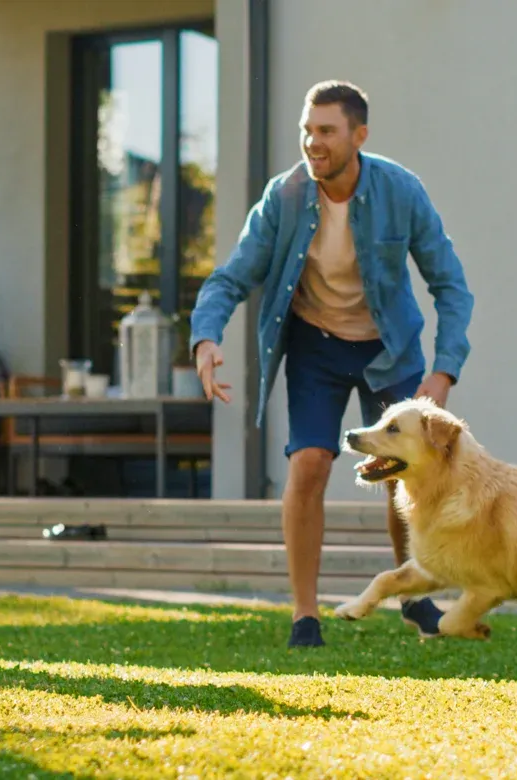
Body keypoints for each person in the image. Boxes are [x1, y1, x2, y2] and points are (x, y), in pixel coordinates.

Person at [188, 80, 474, 647]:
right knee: (310, 465)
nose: (312, 143)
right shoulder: (285, 197)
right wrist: (205, 337)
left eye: (326, 131)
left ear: (358, 136)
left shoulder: (400, 191)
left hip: (388, 346)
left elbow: (451, 286)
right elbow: (232, 276)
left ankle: (414, 595)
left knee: (406, 473)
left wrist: (443, 370)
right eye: (306, 131)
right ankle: (304, 615)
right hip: (316, 344)